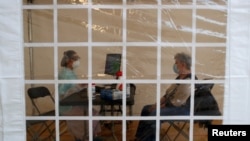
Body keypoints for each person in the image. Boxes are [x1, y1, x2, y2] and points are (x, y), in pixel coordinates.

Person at [134, 52, 196, 141]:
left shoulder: (189, 81)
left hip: (183, 109)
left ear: (183, 64)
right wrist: (156, 104)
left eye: (176, 62)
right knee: (146, 109)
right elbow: (168, 94)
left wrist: (159, 107)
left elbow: (178, 102)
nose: (175, 65)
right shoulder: (180, 78)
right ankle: (140, 137)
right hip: (173, 105)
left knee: (155, 113)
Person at [58, 50, 101, 141]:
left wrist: (80, 85)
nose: (78, 61)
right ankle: (84, 137)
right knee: (90, 114)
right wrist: (77, 87)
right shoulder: (65, 74)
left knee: (93, 112)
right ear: (69, 61)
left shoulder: (70, 71)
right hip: (67, 106)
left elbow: (72, 86)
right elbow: (62, 92)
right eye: (76, 59)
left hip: (72, 102)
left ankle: (91, 136)